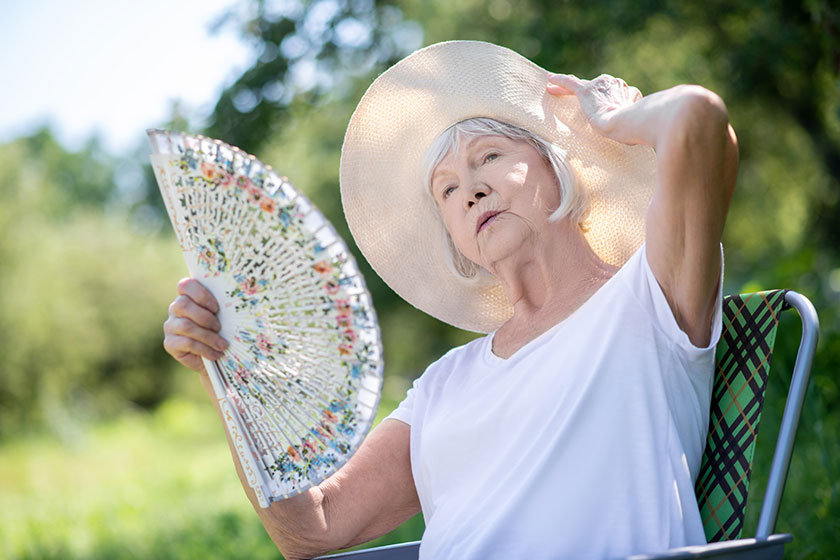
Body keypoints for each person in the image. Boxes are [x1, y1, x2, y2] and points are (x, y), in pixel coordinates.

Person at [163, 41, 737, 559]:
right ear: (457, 242)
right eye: (447, 189)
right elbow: (312, 528)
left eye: (488, 157)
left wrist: (609, 120)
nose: (471, 191)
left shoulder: (648, 294)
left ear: (558, 169)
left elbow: (698, 119)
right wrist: (222, 369)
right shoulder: (445, 382)